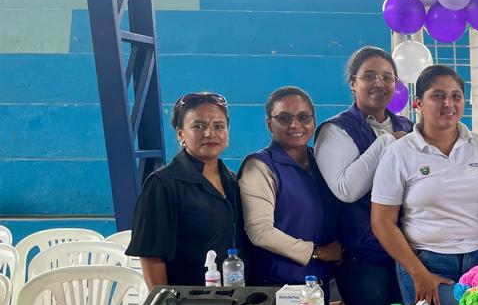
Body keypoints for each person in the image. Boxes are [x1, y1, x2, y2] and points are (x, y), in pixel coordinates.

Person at [371, 65, 478, 305]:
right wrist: (418, 273)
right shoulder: (399, 153)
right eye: (438, 95)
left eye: (456, 96)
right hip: (426, 262)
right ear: (419, 103)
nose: (448, 103)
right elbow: (382, 221)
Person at [314, 46, 412, 305]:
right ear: (353, 83)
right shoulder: (336, 130)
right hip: (364, 257)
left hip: (409, 252)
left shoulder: (407, 127)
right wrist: (388, 142)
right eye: (369, 76)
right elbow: (346, 190)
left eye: (387, 77)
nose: (379, 83)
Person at [127, 92, 244, 288]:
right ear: (180, 134)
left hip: (234, 296)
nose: (209, 134)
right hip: (188, 300)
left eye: (218, 126)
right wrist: (166, 301)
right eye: (198, 126)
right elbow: (152, 257)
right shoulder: (163, 184)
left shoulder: (233, 181)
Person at [237, 86, 342, 292]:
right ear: (269, 123)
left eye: (303, 117)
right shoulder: (259, 166)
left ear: (313, 121)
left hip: (319, 283)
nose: (295, 125)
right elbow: (260, 231)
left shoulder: (321, 162)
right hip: (278, 286)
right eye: (284, 118)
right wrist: (317, 252)